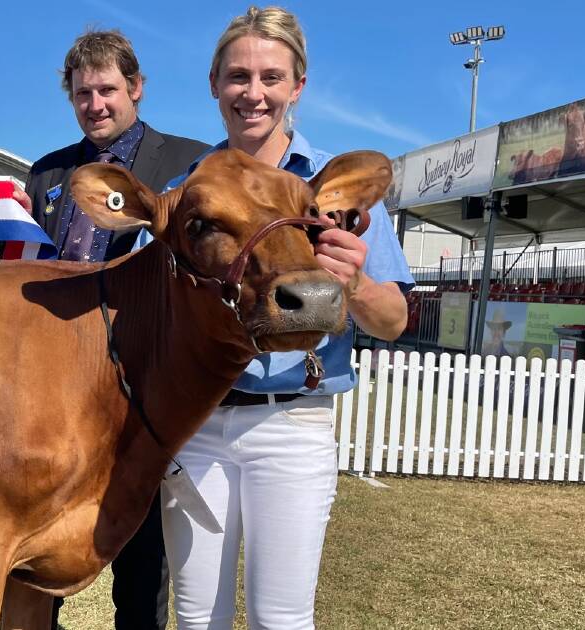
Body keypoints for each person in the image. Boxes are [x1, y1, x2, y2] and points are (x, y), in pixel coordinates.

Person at [151, 7, 413, 629]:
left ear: (298, 86)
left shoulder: (335, 189)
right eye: (238, 76)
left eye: (272, 76)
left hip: (293, 422)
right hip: (200, 425)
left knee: (282, 619)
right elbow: (144, 302)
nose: (254, 93)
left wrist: (356, 281)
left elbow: (395, 320)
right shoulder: (186, 190)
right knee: (195, 618)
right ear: (214, 84)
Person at [25, 29, 207, 630]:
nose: (95, 103)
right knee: (41, 525)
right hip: (55, 382)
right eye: (83, 93)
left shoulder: (189, 162)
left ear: (136, 89)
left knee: (142, 543)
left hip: (144, 379)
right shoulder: (46, 175)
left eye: (107, 90)